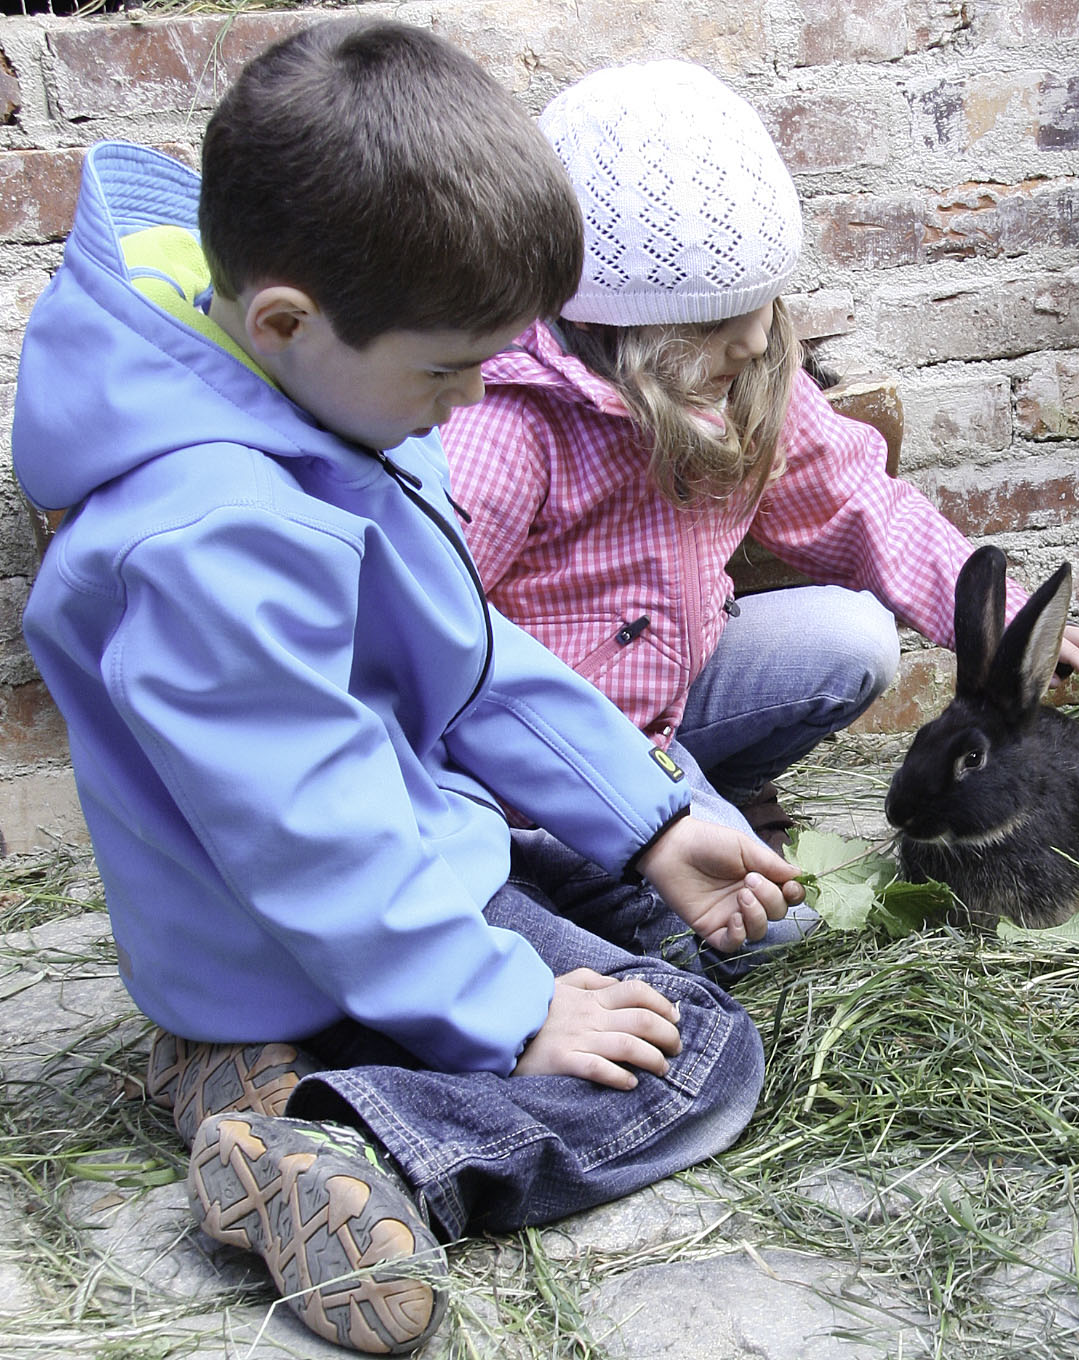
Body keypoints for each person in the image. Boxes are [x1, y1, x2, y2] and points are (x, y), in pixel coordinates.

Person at [12, 22, 802, 1356]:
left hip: (396, 855)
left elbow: (469, 651)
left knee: (708, 918)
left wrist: (653, 813)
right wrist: (508, 1008)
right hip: (301, 931)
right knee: (700, 1064)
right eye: (449, 368)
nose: (473, 398)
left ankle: (247, 1069)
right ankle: (338, 1135)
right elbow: (312, 831)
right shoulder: (212, 534)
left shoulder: (326, 401)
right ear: (287, 320)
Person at [442, 60, 1079, 855]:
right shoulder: (503, 427)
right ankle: (565, 855)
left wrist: (1004, 625)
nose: (757, 339)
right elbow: (427, 644)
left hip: (669, 692)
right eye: (716, 320)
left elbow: (852, 500)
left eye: (764, 304)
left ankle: (710, 790)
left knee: (853, 639)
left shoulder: (743, 378)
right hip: (542, 754)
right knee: (759, 932)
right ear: (611, 327)